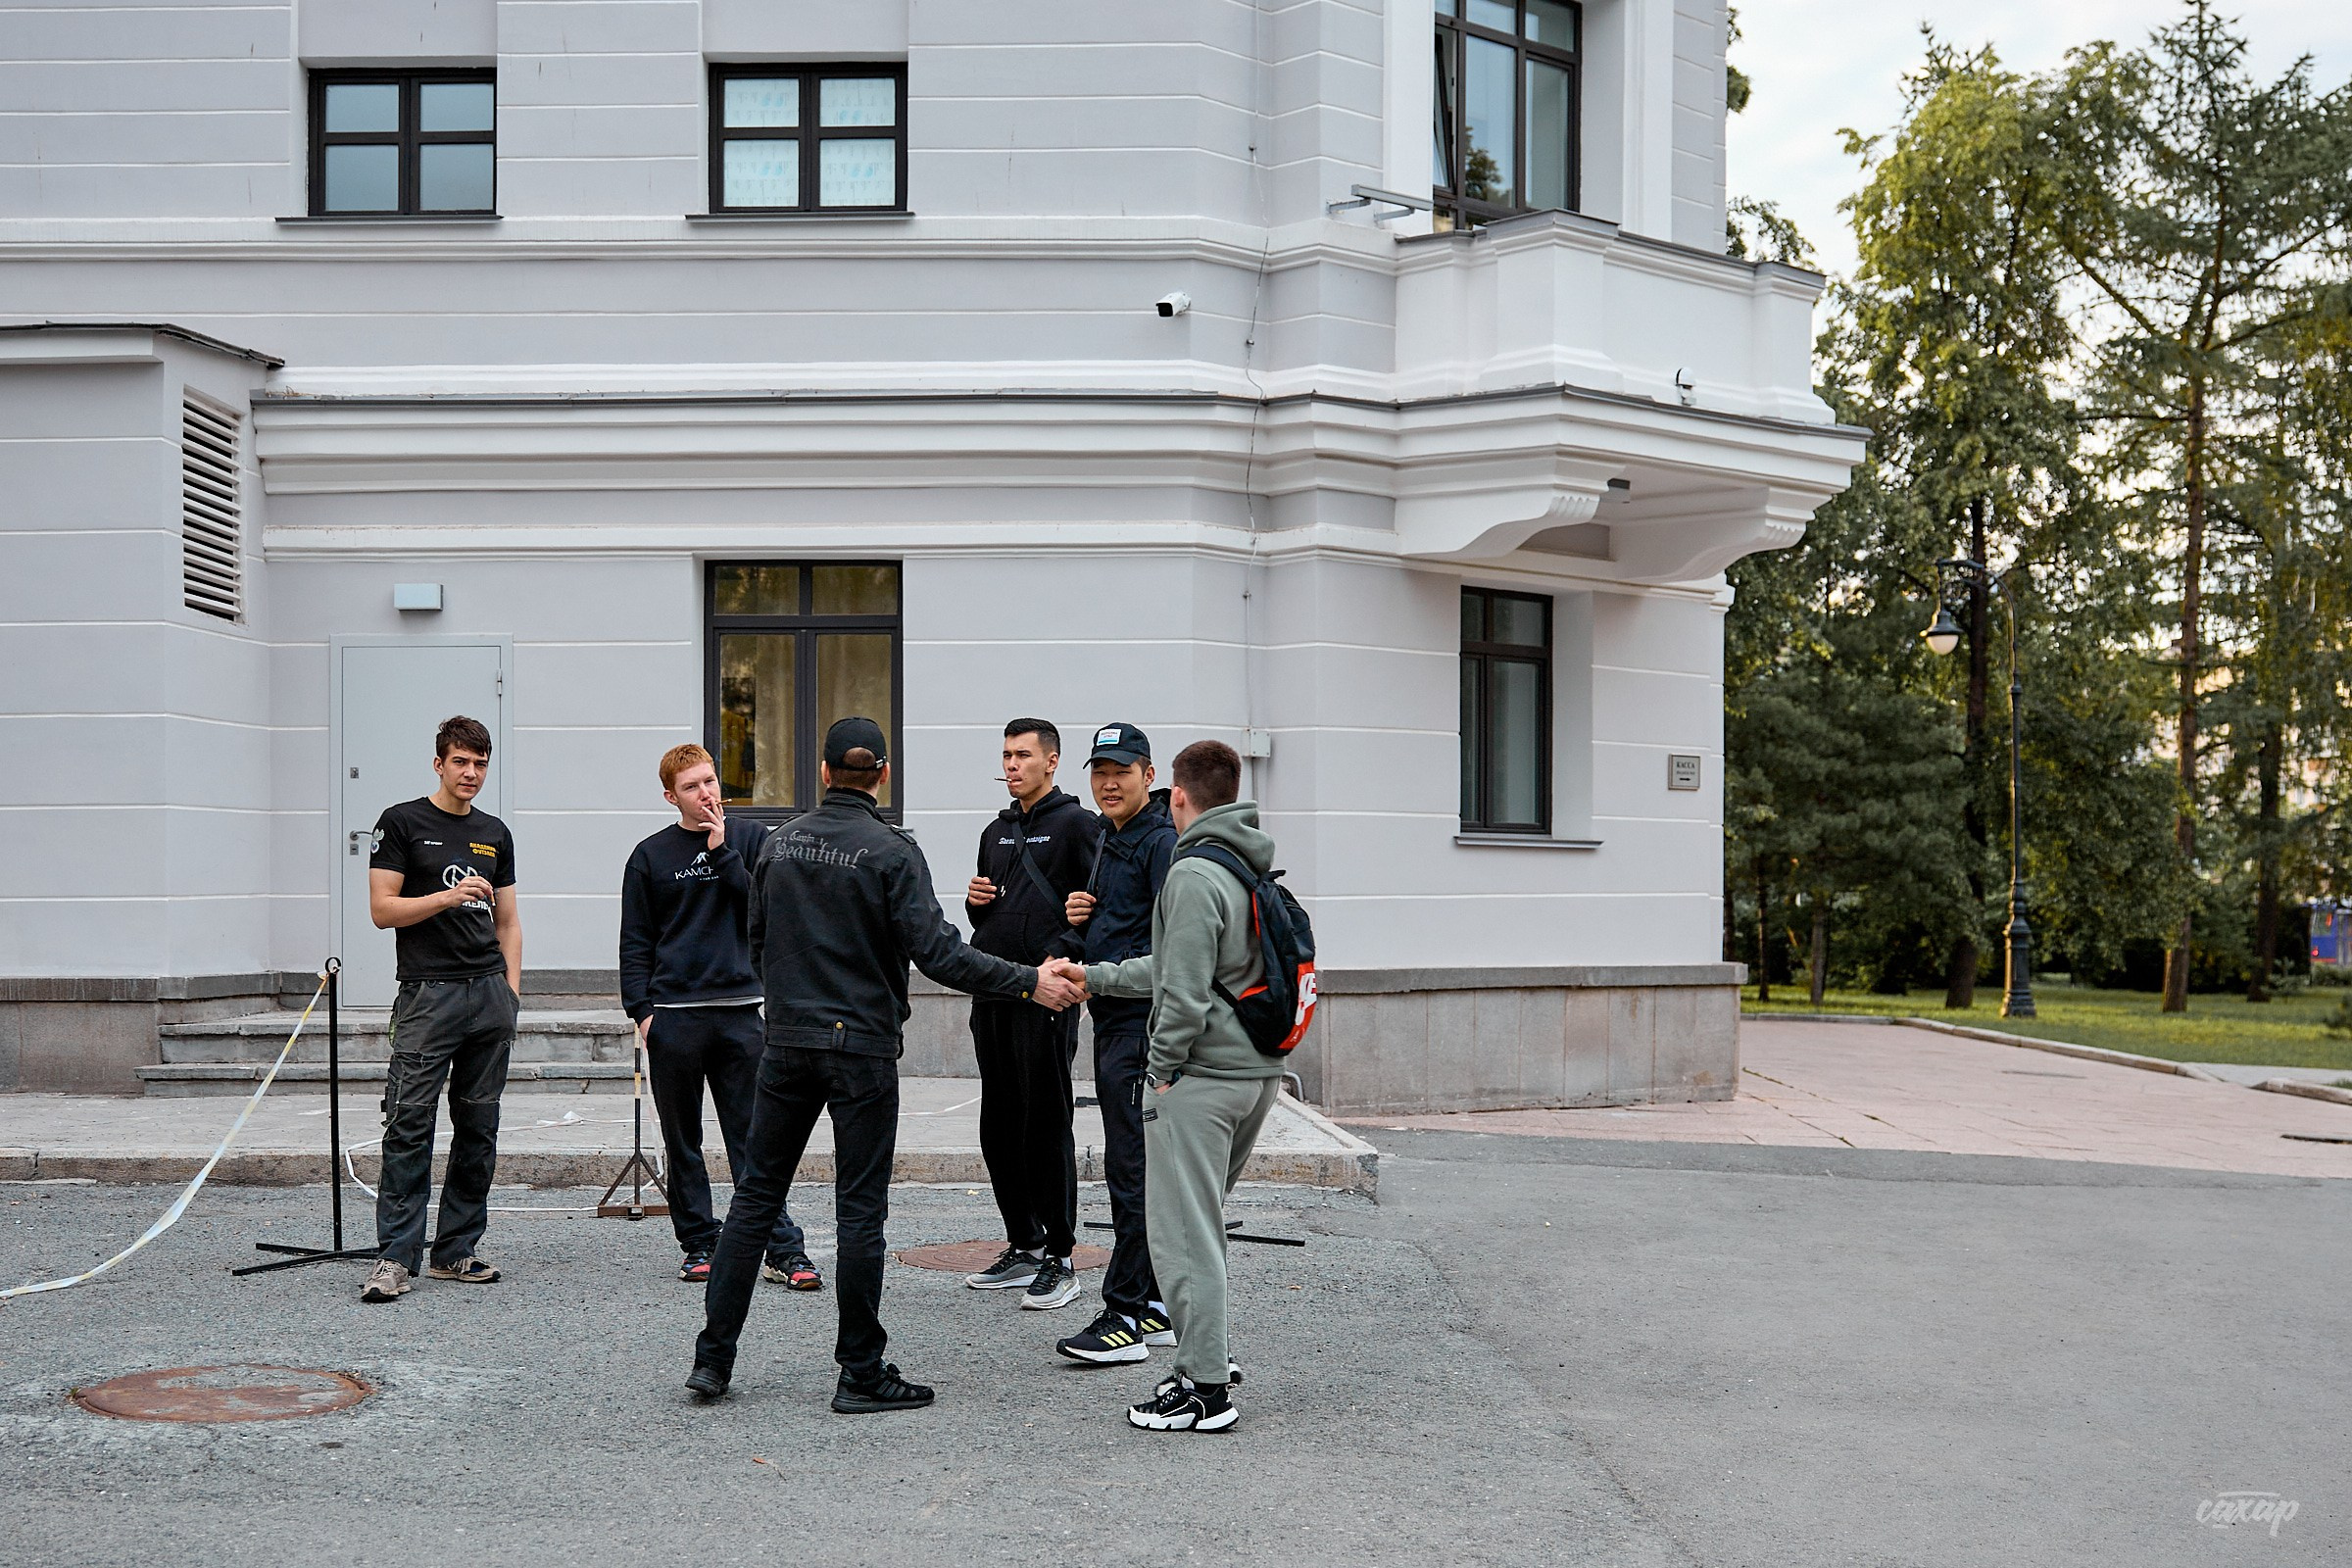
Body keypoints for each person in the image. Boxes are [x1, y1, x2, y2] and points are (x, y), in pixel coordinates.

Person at [687, 717, 1085, 1414]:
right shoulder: (892, 851)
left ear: (822, 770)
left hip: (785, 1043)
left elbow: (757, 941)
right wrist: (1030, 980)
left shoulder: (777, 846)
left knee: (754, 1198)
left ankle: (712, 1360)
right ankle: (860, 1372)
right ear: (883, 775)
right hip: (861, 1048)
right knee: (859, 1209)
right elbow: (941, 954)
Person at [1062, 739, 1282, 1432]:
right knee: (1201, 1228)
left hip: (1202, 1080)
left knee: (1185, 1238)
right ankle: (1203, 1352)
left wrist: (1159, 1075)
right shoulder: (1244, 863)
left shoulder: (1191, 873)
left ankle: (1205, 1391)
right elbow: (1175, 965)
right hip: (1255, 1072)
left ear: (1176, 795)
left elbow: (1182, 996)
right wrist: (1094, 977)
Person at [619, 743, 817, 1290]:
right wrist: (643, 1012)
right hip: (675, 1017)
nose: (705, 793)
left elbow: (767, 910)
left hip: (740, 1014)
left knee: (755, 1139)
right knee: (682, 1139)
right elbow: (636, 941)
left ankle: (781, 1247)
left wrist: (723, 849)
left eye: (709, 781)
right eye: (691, 786)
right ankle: (700, 1243)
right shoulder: (650, 855)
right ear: (670, 796)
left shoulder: (753, 840)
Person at [359, 715, 522, 1305]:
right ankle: (394, 1259)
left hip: (487, 994)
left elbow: (508, 921)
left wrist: (511, 992)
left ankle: (455, 1251)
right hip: (428, 994)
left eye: (480, 763)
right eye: (461, 762)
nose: (471, 773)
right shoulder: (402, 822)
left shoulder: (495, 833)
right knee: (409, 1124)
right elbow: (382, 910)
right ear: (439, 764)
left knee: (478, 1128)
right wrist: (450, 897)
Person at [959, 718, 1102, 1310]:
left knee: (1045, 1121)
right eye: (1006, 756)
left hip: (1048, 995)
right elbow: (987, 920)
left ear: (1052, 761)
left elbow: (1100, 908)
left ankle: (1061, 1255)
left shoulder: (1077, 826)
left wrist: (1072, 947)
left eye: (1023, 755)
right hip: (994, 989)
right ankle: (1022, 1242)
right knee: (999, 1122)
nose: (1012, 765)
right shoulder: (995, 831)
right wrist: (975, 906)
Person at [1052, 722, 1179, 1365]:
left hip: (1143, 1027)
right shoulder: (1110, 835)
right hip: (1113, 1022)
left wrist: (1098, 968)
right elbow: (1122, 922)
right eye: (1100, 770)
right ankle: (1155, 1306)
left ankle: (1126, 1313)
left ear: (1149, 776)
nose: (1108, 781)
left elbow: (1175, 952)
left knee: (1134, 1173)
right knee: (1137, 1170)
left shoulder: (1162, 844)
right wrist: (1084, 918)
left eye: (1121, 771)